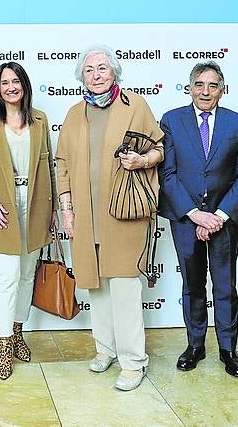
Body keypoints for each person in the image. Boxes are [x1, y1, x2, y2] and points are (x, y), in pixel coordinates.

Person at [55, 45, 163, 391]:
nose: (97, 74)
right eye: (89, 70)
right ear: (81, 76)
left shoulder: (135, 106)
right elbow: (63, 164)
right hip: (86, 216)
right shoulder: (74, 113)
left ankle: (133, 361)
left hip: (124, 212)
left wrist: (142, 162)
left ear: (114, 72)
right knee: (95, 285)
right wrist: (67, 209)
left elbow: (159, 148)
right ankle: (106, 350)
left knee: (124, 286)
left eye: (103, 68)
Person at [158, 61, 238, 378]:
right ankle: (195, 346)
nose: (205, 91)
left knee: (225, 285)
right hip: (186, 218)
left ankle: (228, 349)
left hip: (225, 219)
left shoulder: (237, 123)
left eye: (213, 85)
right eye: (200, 84)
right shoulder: (171, 121)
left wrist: (219, 216)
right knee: (193, 284)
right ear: (190, 88)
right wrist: (196, 214)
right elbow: (168, 175)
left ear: (222, 90)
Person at [0, 62, 57, 380]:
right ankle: (4, 345)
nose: (11, 87)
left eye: (16, 81)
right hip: (1, 207)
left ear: (24, 85)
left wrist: (54, 211)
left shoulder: (40, 120)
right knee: (6, 278)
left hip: (35, 207)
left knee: (24, 277)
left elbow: (49, 168)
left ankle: (18, 331)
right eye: (4, 82)